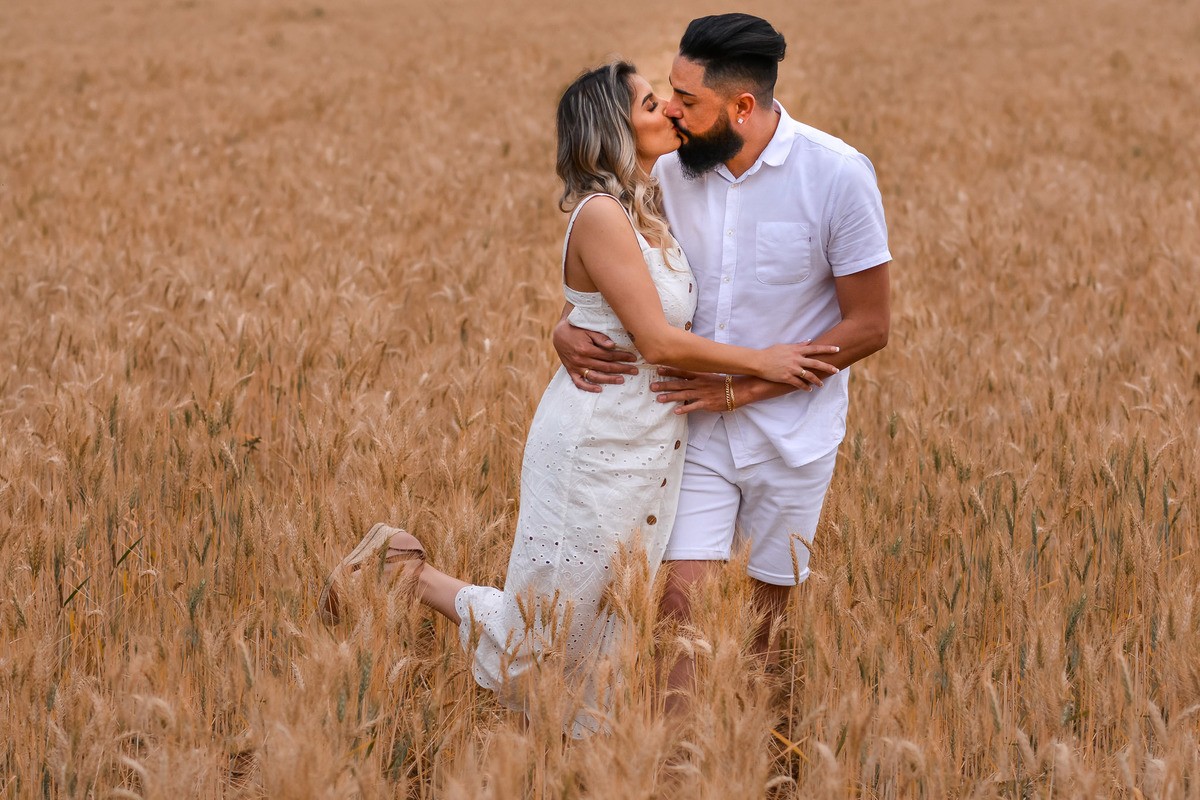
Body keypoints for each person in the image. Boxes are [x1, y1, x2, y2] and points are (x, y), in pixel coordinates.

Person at [319, 60, 841, 737]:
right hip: (593, 445)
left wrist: (568, 323)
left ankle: (595, 755)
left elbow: (608, 309)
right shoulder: (600, 215)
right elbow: (655, 339)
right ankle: (405, 571)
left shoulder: (653, 207)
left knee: (599, 626)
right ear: (615, 126)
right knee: (548, 631)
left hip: (650, 445)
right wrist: (762, 364)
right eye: (652, 104)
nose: (670, 112)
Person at [552, 14, 892, 701]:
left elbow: (869, 325)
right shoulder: (669, 174)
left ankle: (764, 756)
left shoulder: (837, 175)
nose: (672, 111)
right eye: (668, 93)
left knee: (767, 631)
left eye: (688, 100)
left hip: (795, 437)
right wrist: (564, 324)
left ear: (743, 107)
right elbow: (619, 271)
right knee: (681, 611)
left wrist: (745, 387)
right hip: (690, 430)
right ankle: (678, 770)